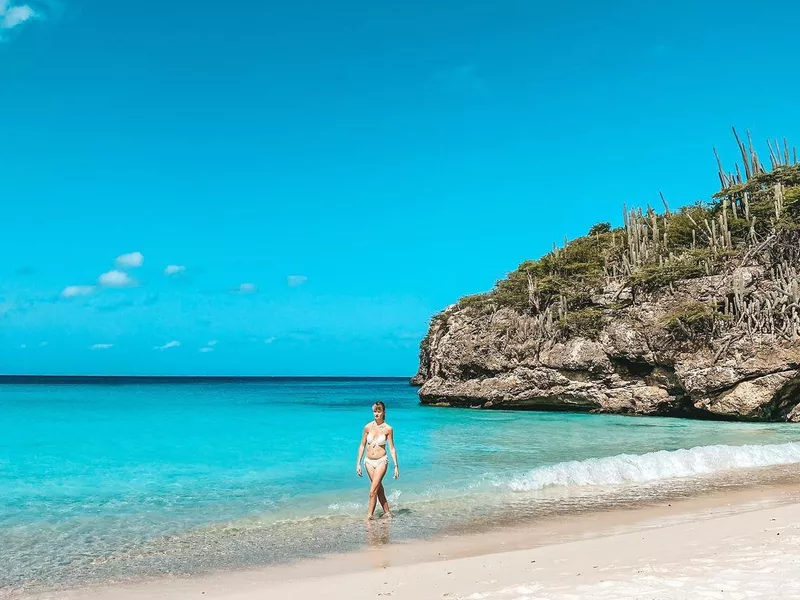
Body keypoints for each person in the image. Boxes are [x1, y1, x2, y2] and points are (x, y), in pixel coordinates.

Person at [356, 401, 399, 520]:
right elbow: (362, 446)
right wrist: (358, 463)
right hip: (368, 462)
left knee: (372, 491)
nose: (376, 413)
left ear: (383, 412)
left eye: (379, 411)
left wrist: (396, 465)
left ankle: (368, 517)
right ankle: (388, 513)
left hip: (381, 461)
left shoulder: (388, 429)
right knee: (378, 488)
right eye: (375, 411)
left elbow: (391, 447)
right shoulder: (367, 427)